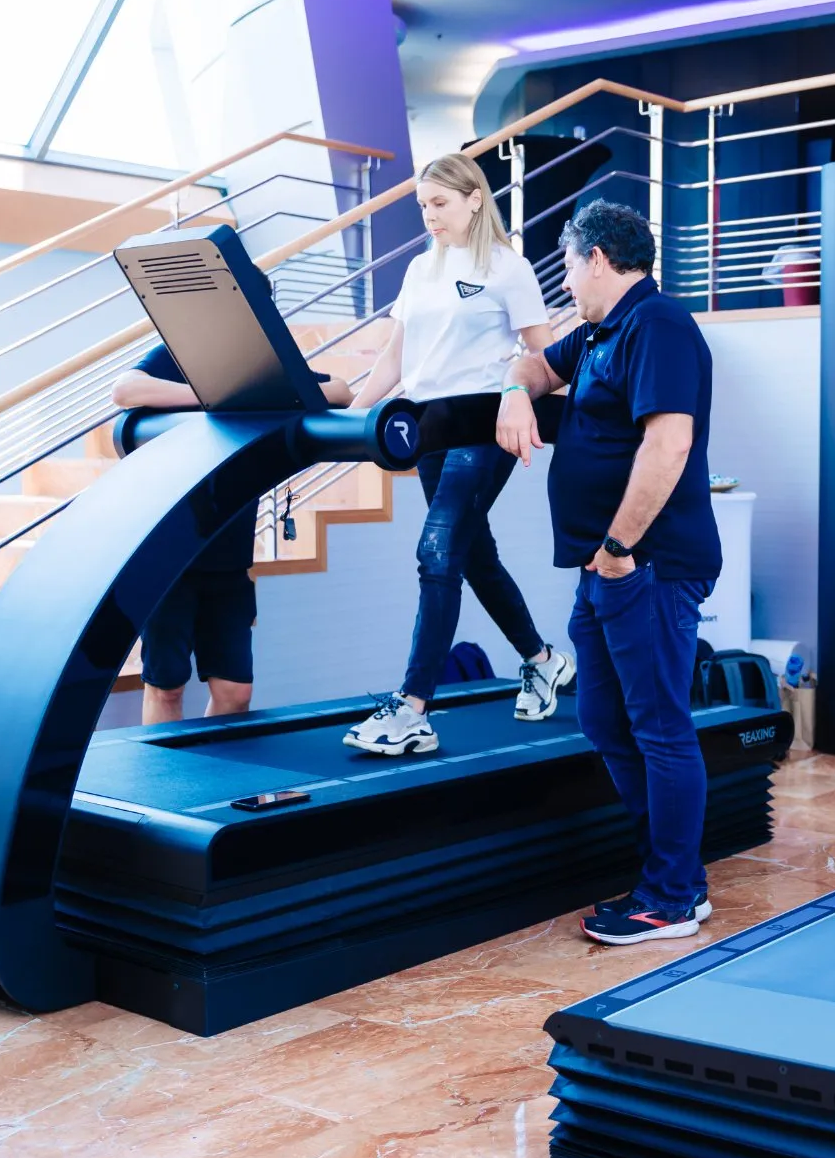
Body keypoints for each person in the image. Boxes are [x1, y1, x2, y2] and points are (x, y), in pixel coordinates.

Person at [496, 199, 722, 945]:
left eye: (567, 267)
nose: (564, 283)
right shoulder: (601, 331)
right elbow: (534, 364)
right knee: (603, 717)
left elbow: (669, 445)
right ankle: (670, 873)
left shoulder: (657, 326)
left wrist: (620, 548)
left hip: (645, 564)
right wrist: (513, 393)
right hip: (609, 567)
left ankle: (672, 896)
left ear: (596, 259)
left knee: (658, 726)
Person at [343, 151, 575, 756]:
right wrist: (351, 421)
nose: (429, 215)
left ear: (475, 199)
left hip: (483, 425)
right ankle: (543, 660)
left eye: (440, 203)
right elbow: (395, 358)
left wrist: (553, 409)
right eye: (423, 205)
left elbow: (546, 355)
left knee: (438, 551)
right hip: (430, 429)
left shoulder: (508, 268)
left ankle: (413, 709)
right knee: (473, 554)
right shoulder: (421, 269)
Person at [111, 347, 351, 724]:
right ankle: (164, 764)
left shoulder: (260, 363)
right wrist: (211, 399)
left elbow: (341, 391)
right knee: (167, 687)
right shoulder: (179, 352)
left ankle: (209, 760)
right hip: (167, 563)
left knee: (235, 693)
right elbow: (124, 390)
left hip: (229, 559)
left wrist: (267, 396)